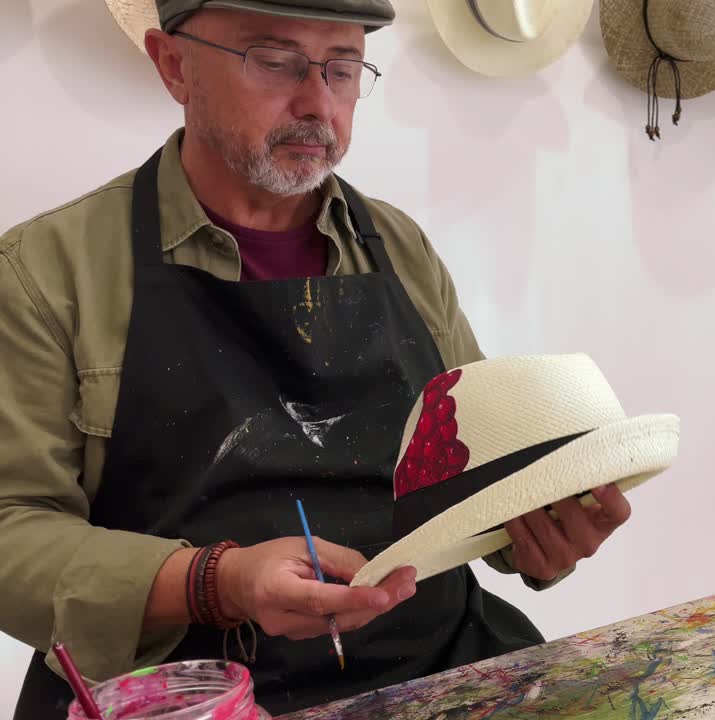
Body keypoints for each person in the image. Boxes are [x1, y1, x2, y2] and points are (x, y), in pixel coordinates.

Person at [0, 0, 634, 716]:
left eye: (342, 67)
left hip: (438, 672)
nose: (317, 103)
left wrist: (537, 531)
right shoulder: (48, 270)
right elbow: (10, 529)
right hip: (190, 697)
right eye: (275, 61)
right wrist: (215, 581)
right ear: (172, 64)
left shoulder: (399, 248)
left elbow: (473, 472)